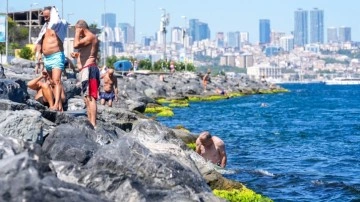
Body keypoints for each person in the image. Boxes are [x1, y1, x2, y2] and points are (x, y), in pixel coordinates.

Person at [34, 6, 68, 111]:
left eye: (47, 16)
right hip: (47, 58)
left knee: (57, 81)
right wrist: (38, 58)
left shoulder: (58, 25)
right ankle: (58, 106)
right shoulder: (45, 28)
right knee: (51, 82)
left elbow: (56, 18)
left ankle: (57, 104)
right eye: (44, 17)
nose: (45, 19)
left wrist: (53, 9)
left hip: (56, 56)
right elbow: (39, 42)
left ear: (52, 15)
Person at [72, 19, 100, 127]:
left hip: (90, 69)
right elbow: (83, 52)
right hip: (86, 70)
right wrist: (77, 56)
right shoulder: (87, 39)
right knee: (86, 98)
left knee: (91, 97)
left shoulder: (91, 37)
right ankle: (90, 121)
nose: (77, 33)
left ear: (81, 28)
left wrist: (77, 33)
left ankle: (93, 123)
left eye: (77, 30)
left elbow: (75, 44)